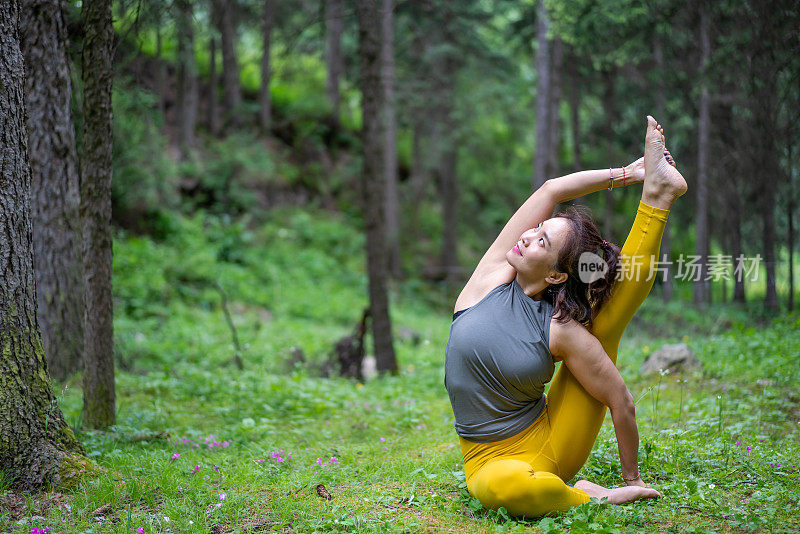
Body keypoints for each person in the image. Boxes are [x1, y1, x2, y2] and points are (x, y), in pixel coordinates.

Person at [444, 116, 687, 517]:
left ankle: (657, 199)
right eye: (536, 229)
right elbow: (552, 190)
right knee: (507, 485)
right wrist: (627, 173)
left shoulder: (559, 327)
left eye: (542, 240)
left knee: (604, 326)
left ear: (556, 274)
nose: (527, 236)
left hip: (551, 445)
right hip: (487, 461)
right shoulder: (488, 280)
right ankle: (589, 495)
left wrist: (633, 479)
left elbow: (619, 398)